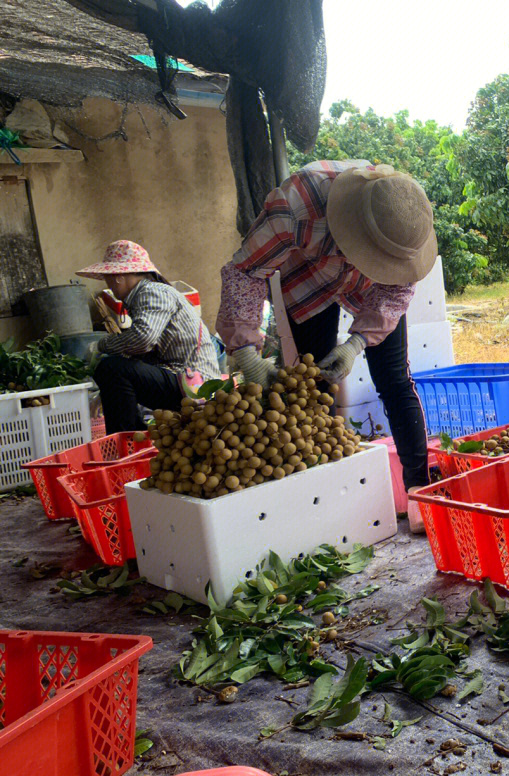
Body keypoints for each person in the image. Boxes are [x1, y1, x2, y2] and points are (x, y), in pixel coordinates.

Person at [215, 160, 437, 532]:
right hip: (307, 279)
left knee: (395, 380)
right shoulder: (295, 208)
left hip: (370, 286)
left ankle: (419, 490)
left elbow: (398, 289)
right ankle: (326, 494)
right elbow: (245, 271)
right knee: (313, 386)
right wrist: (244, 351)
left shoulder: (406, 221)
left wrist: (357, 342)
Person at [77, 240, 220, 433]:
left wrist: (102, 345)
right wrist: (106, 392)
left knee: (110, 368)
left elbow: (143, 338)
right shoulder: (145, 295)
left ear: (118, 276)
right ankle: (134, 437)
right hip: (185, 380)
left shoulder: (152, 292)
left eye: (107, 278)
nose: (108, 283)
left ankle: (126, 440)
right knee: (114, 370)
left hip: (195, 384)